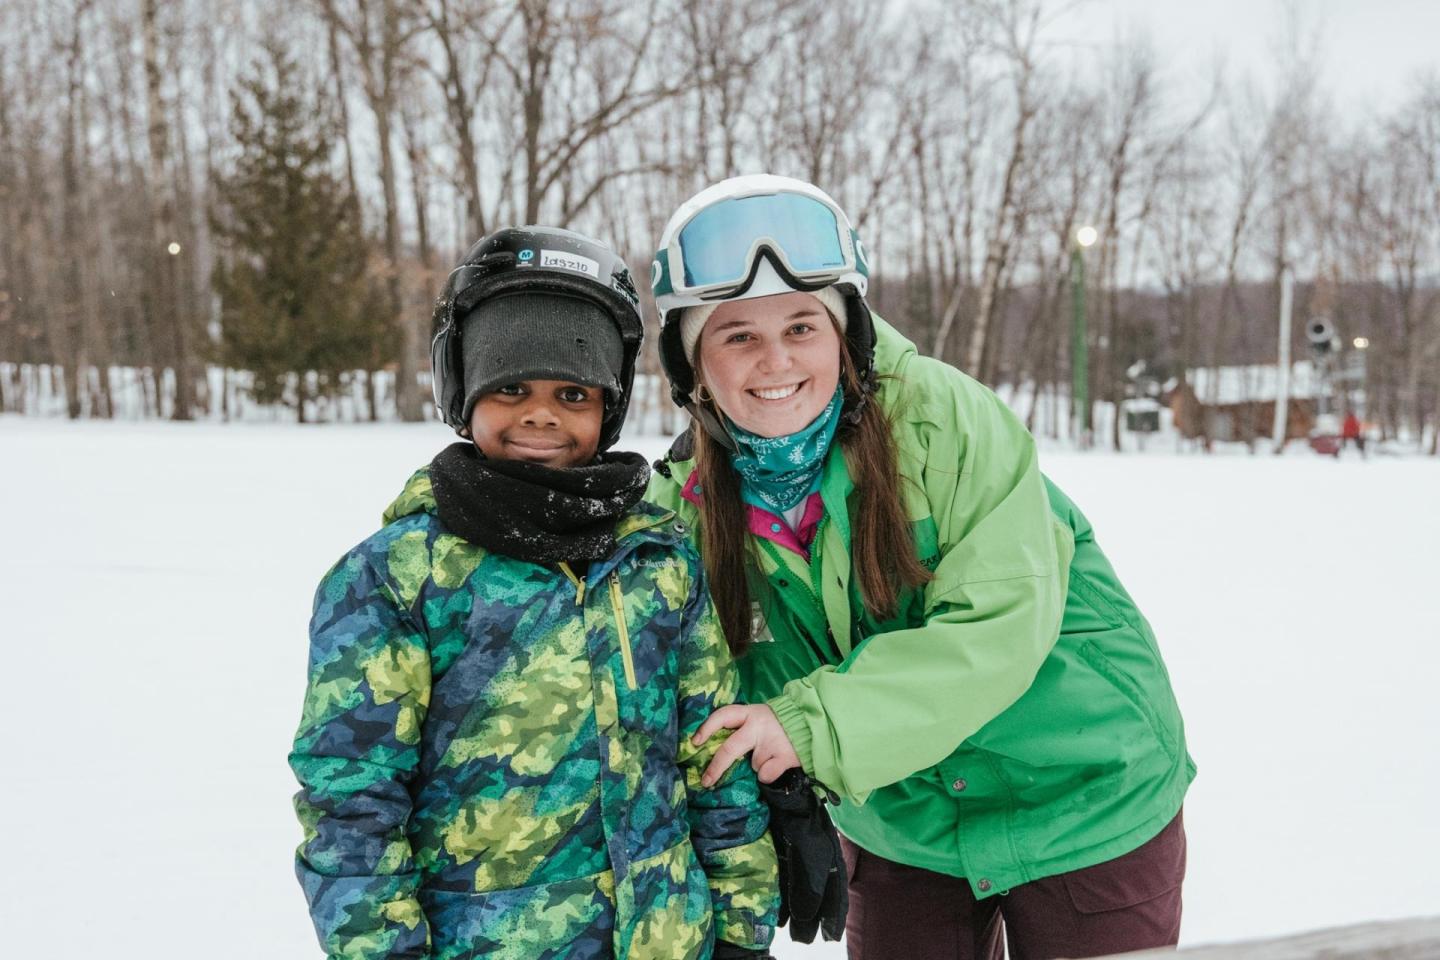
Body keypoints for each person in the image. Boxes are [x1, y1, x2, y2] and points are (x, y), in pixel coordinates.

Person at [645, 175, 1195, 960]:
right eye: (737, 335)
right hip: (904, 822)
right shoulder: (691, 510)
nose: (776, 360)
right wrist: (772, 805)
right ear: (692, 362)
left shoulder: (944, 423)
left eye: (803, 327)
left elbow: (998, 628)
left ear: (846, 336)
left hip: (1085, 794)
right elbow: (702, 690)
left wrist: (810, 728)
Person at [289, 226, 779, 960]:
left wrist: (743, 920)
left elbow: (712, 756)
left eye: (572, 392)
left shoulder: (660, 560)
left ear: (607, 408)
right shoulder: (397, 575)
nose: (541, 413)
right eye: (511, 386)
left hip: (670, 939)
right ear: (464, 391)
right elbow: (351, 803)